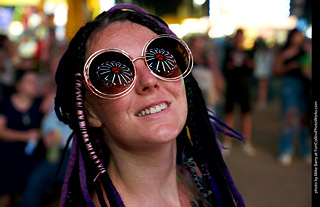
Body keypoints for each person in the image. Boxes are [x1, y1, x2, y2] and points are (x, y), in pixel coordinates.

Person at [54, 4, 245, 207]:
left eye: (159, 58)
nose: (149, 80)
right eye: (114, 75)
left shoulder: (199, 179)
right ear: (89, 112)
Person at [0, 70, 44, 207]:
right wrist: (24, 136)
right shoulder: (5, 105)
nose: (34, 85)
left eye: (36, 82)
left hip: (30, 159)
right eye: (30, 81)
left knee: (25, 196)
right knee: (4, 197)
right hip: (6, 158)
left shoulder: (40, 104)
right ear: (18, 85)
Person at [273, 29, 311, 166]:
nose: (298, 39)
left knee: (304, 119)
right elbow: (276, 70)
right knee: (289, 116)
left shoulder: (306, 51)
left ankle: (305, 149)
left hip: (305, 86)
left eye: (300, 37)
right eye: (296, 36)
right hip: (289, 85)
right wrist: (288, 66)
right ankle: (285, 149)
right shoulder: (284, 52)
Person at [222, 29, 256, 157]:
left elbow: (252, 69)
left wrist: (249, 65)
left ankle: (247, 142)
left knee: (246, 115)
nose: (239, 39)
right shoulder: (228, 51)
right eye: (238, 37)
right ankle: (227, 142)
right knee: (229, 114)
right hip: (232, 86)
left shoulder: (248, 52)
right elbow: (224, 68)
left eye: (241, 37)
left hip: (244, 87)